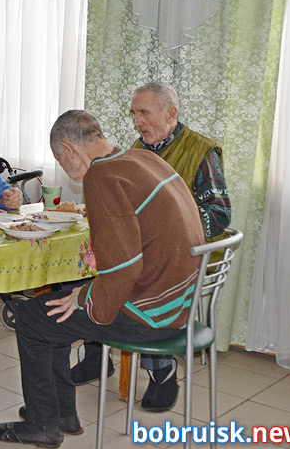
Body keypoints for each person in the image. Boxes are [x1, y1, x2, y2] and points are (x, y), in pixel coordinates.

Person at [0, 110, 204, 449]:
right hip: (181, 304)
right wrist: (83, 294)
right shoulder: (142, 158)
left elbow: (124, 267)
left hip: (151, 315)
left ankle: (44, 423)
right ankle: (62, 414)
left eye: (61, 158)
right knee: (58, 305)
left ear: (70, 148)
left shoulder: (102, 176)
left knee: (31, 318)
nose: (65, 168)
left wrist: (87, 299)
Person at [69, 82, 232, 412]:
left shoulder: (201, 151)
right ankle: (95, 354)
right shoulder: (135, 149)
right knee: (89, 266)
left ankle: (162, 373)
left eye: (144, 113)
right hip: (141, 252)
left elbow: (220, 212)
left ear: (171, 113)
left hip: (179, 263)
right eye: (134, 114)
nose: (136, 122)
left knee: (130, 275)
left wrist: (164, 230)